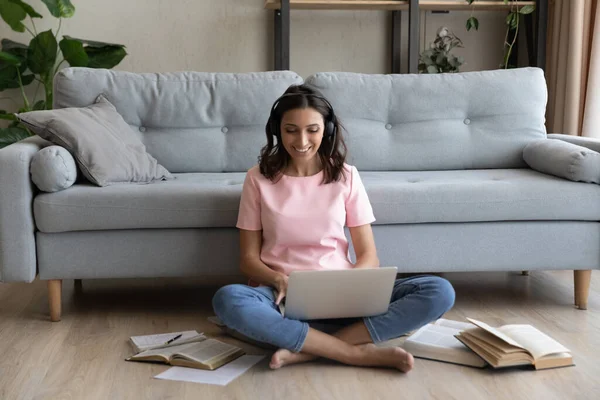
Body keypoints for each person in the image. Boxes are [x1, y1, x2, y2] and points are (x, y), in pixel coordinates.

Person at [212, 84, 455, 372]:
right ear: (278, 129)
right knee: (228, 299)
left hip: (342, 292)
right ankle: (355, 353)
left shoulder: (346, 176)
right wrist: (279, 280)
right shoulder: (257, 179)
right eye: (291, 130)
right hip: (280, 295)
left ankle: (307, 349)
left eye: (312, 130)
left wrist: (351, 285)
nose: (301, 140)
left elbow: (368, 255)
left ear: (326, 129)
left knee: (439, 290)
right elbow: (248, 260)